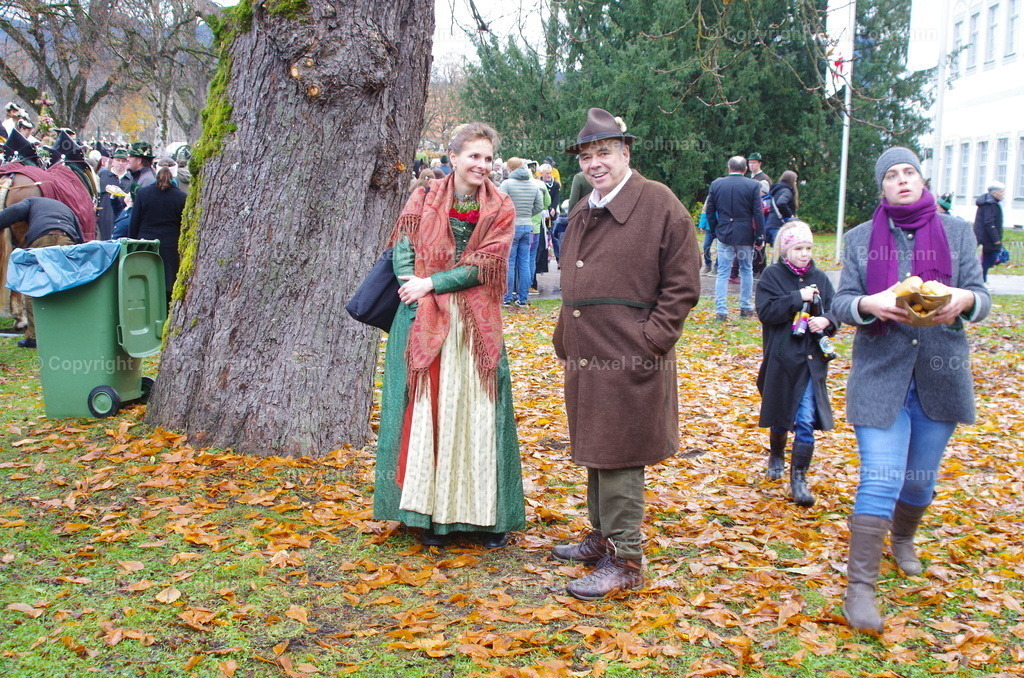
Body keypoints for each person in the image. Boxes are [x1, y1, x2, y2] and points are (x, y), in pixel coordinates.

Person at [832, 147, 990, 634]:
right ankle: (859, 589)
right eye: (892, 175)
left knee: (918, 481)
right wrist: (868, 303)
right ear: (881, 187)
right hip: (880, 376)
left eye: (910, 173)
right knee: (880, 476)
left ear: (922, 181)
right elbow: (840, 302)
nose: (902, 180)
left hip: (939, 378)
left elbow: (980, 295)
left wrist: (963, 299)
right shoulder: (861, 240)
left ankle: (902, 538)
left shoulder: (958, 233)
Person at [552, 108, 701, 600]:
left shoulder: (659, 203)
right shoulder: (585, 206)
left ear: (625, 153)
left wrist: (650, 340)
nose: (596, 163)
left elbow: (682, 285)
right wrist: (564, 336)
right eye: (588, 155)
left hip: (630, 354)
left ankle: (626, 559)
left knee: (621, 456)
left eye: (605, 153)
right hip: (588, 351)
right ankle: (601, 539)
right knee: (597, 449)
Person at [374, 122, 525, 548]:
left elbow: (484, 264)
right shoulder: (423, 196)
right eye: (473, 156)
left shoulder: (502, 206)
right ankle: (424, 516)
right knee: (426, 410)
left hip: (475, 322)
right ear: (453, 157)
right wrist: (412, 282)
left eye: (488, 158)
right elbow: (404, 245)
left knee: (475, 412)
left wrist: (432, 284)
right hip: (423, 316)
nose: (482, 164)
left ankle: (481, 519)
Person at [755, 221, 839, 507]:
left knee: (804, 421)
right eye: (798, 248)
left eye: (808, 248)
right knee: (780, 417)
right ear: (785, 250)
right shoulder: (772, 275)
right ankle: (776, 455)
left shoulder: (821, 278)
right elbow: (766, 312)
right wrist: (796, 298)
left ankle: (798, 480)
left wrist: (827, 321)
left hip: (810, 363)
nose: (804, 254)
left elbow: (834, 310)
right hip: (781, 361)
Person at [0, 195, 84, 348]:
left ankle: (34, 337)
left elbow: (13, 212)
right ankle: (66, 332)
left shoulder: (31, 202)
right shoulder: (66, 209)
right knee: (65, 288)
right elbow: (80, 236)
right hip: (67, 240)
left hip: (43, 238)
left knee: (35, 286)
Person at [706, 156, 764, 321]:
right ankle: (745, 307)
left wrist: (715, 228)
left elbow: (709, 210)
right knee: (746, 270)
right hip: (745, 234)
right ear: (745, 169)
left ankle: (721, 311)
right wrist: (760, 236)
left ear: (729, 168)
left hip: (724, 232)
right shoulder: (753, 185)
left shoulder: (717, 184)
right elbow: (758, 213)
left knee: (723, 272)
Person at [129, 167, 187, 305]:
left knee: (146, 283)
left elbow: (134, 222)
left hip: (146, 244)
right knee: (169, 285)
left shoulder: (142, 194)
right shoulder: (181, 197)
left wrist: (132, 243)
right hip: (171, 246)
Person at [499, 157, 544, 306]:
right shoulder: (533, 185)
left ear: (510, 169)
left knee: (509, 262)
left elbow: (499, 204)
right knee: (525, 263)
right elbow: (540, 205)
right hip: (527, 226)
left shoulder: (506, 184)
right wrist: (527, 215)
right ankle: (523, 298)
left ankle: (506, 297)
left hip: (511, 227)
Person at [97, 148, 133, 240]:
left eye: (123, 161)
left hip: (123, 221)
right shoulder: (102, 175)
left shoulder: (131, 179)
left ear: (127, 163)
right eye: (118, 160)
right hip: (104, 218)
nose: (120, 163)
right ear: (112, 161)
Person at [973, 182, 1004, 285]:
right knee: (989, 259)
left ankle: (982, 280)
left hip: (983, 235)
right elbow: (989, 223)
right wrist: (996, 239)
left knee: (988, 259)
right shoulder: (990, 204)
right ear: (994, 192)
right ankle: (982, 281)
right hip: (987, 237)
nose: (1003, 194)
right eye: (1001, 191)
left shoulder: (989, 202)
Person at [765, 170, 798, 246]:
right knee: (781, 252)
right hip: (779, 225)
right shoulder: (786, 191)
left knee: (777, 252)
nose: (796, 183)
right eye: (795, 180)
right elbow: (781, 203)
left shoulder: (777, 190)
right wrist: (789, 215)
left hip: (771, 224)